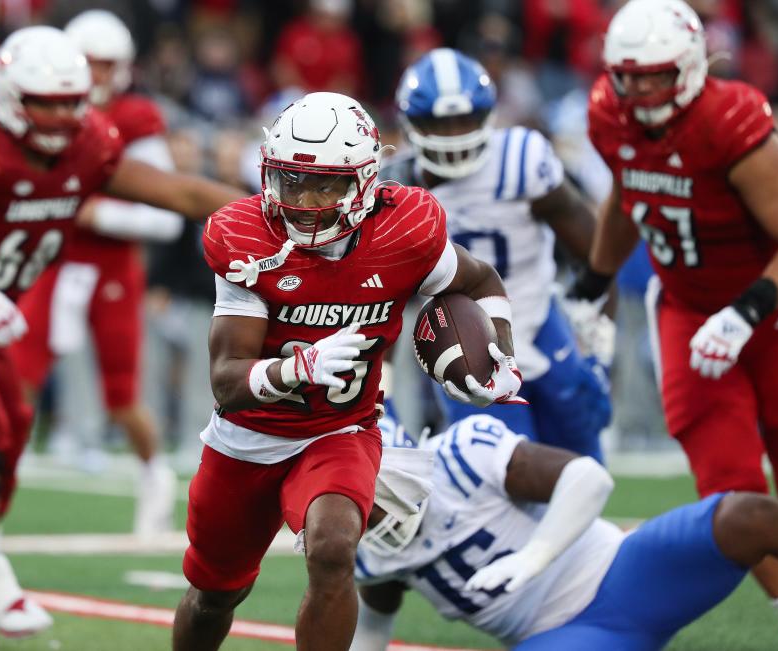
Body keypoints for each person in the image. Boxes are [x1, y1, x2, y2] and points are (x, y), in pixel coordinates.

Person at [0, 26, 243, 648]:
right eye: (49, 101)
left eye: (74, 101)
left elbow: (176, 191)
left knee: (0, 456)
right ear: (12, 96)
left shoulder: (86, 147)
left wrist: (270, 219)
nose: (66, 115)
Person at [172, 91, 525, 651]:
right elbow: (226, 383)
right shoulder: (246, 239)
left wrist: (500, 352)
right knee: (214, 593)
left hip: (341, 429)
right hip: (247, 437)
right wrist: (298, 368)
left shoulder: (403, 231)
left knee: (335, 547)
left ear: (363, 182)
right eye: (292, 181)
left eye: (326, 184)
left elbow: (479, 281)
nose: (306, 199)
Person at [567, 1, 778, 648]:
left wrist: (746, 312)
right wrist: (591, 286)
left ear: (688, 66)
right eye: (630, 76)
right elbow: (629, 195)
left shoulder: (725, 118)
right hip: (685, 308)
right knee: (726, 482)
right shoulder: (606, 113)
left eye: (656, 75)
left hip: (777, 308)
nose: (641, 90)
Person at [352, 412, 778, 651]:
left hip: (626, 572)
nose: (375, 513)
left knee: (745, 517)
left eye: (380, 493)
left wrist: (535, 556)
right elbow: (371, 633)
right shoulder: (369, 556)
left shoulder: (462, 455)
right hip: (558, 636)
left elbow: (589, 478)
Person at [385, 47, 611, 460]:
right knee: (497, 468)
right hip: (465, 331)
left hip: (541, 315)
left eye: (463, 121)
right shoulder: (395, 191)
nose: (453, 135)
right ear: (411, 123)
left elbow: (595, 247)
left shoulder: (521, 159)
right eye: (439, 123)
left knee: (582, 453)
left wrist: (598, 323)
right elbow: (374, 297)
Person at [9, 9, 182, 537]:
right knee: (18, 374)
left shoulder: (134, 119)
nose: (98, 75)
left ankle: (155, 476)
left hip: (109, 264)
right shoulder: (47, 111)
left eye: (106, 65)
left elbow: (167, 218)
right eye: (90, 64)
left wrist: (95, 213)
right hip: (53, 260)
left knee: (122, 395)